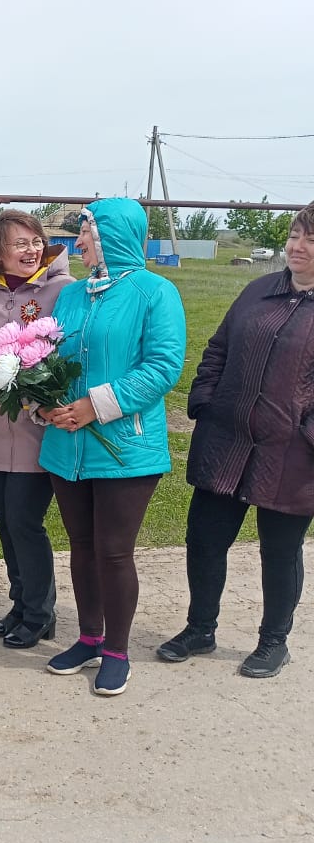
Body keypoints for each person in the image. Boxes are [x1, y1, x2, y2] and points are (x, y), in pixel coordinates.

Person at [156, 202, 314, 679]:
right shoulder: (258, 290)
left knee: (279, 551)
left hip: (292, 455)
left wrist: (306, 434)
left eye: (310, 239)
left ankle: (273, 642)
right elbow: (218, 350)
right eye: (293, 234)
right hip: (226, 441)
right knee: (205, 539)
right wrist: (205, 402)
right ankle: (200, 628)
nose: (296, 245)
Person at [39, 197, 186, 697]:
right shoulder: (73, 295)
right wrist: (47, 404)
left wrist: (94, 406)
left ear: (113, 236)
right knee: (81, 546)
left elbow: (163, 367)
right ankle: (88, 637)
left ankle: (117, 650)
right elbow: (50, 356)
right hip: (68, 443)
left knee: (114, 551)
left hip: (125, 447)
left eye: (85, 232)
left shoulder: (154, 292)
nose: (77, 243)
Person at [0, 208, 73, 648]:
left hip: (38, 429)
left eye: (36, 241)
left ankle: (39, 613)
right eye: (20, 243)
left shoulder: (62, 291)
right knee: (5, 523)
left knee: (25, 521)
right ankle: (20, 603)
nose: (31, 250)